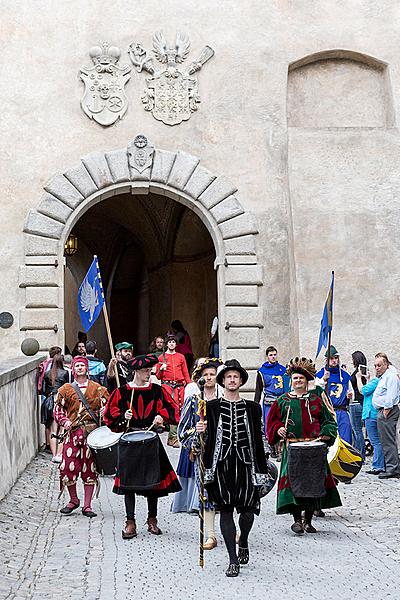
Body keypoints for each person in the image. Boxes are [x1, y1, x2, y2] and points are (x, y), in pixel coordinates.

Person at [195, 359, 270, 577]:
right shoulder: (210, 407)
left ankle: (243, 539)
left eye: (235, 376)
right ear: (223, 381)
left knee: (247, 512)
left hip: (247, 464)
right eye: (228, 377)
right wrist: (200, 430)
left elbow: (260, 436)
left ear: (240, 381)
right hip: (220, 465)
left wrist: (265, 462)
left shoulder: (253, 408)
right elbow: (200, 439)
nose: (232, 380)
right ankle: (232, 559)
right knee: (225, 510)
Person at [103, 354, 181, 539]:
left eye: (150, 371)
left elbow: (173, 409)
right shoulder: (122, 392)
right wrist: (124, 417)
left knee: (152, 482)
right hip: (130, 440)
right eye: (146, 371)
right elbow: (109, 416)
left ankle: (152, 520)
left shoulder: (156, 390)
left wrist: (162, 416)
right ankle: (130, 522)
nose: (149, 374)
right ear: (136, 371)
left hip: (150, 439)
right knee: (128, 483)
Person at [266, 357, 342, 535]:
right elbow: (272, 422)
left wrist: (325, 436)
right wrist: (279, 430)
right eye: (295, 378)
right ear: (291, 381)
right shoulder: (283, 401)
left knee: (312, 484)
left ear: (306, 380)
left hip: (314, 449)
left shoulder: (316, 400)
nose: (298, 381)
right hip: (292, 448)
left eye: (301, 378)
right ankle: (297, 520)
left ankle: (308, 520)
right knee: (293, 485)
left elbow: (329, 421)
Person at [174, 358, 223, 552]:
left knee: (227, 494)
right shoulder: (194, 401)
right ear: (200, 378)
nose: (209, 377)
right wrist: (196, 432)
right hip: (203, 454)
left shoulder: (223, 400)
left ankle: (231, 529)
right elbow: (181, 431)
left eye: (212, 374)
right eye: (206, 375)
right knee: (206, 494)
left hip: (223, 453)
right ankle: (211, 534)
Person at [54, 356, 109, 517]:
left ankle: (87, 505)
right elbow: (58, 409)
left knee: (89, 469)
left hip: (91, 435)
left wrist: (103, 414)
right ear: (73, 368)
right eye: (77, 365)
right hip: (72, 434)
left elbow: (108, 407)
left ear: (86, 369)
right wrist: (64, 422)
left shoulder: (98, 389)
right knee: (67, 467)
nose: (79, 368)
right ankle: (73, 500)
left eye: (82, 365)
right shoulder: (65, 389)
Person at [171, 358, 207, 515]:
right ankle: (191, 502)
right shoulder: (192, 390)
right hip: (194, 437)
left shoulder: (219, 394)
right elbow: (184, 424)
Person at [155, 334, 191, 447]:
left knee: (180, 410)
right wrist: (161, 369)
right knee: (172, 411)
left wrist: (189, 386)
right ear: (167, 344)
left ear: (176, 344)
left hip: (180, 387)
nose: (172, 344)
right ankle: (173, 438)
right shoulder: (161, 357)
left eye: (173, 342)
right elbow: (158, 376)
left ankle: (174, 436)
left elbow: (185, 372)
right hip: (167, 387)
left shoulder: (181, 357)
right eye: (170, 342)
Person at [316, 345, 353, 444]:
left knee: (346, 439)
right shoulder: (320, 375)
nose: (334, 361)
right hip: (327, 413)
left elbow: (351, 392)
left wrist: (349, 396)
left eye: (336, 358)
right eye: (331, 358)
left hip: (342, 411)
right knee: (329, 440)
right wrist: (323, 379)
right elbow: (315, 391)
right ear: (326, 360)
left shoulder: (345, 376)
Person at [372, 353, 400, 478]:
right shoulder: (384, 377)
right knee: (385, 440)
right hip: (384, 410)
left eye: (379, 365)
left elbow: (391, 395)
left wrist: (387, 410)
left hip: (388, 411)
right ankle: (392, 467)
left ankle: (392, 468)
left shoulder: (391, 377)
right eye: (375, 365)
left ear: (386, 364)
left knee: (388, 441)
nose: (377, 368)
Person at [356, 368, 385, 475]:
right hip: (375, 414)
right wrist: (368, 379)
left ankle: (377, 466)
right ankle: (380, 465)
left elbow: (362, 391)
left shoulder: (376, 381)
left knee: (376, 442)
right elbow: (370, 392)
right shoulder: (378, 382)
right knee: (379, 441)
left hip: (370, 414)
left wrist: (359, 378)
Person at [254, 346, 289, 436]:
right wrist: (255, 405)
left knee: (283, 425)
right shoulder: (262, 371)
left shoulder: (283, 370)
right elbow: (258, 390)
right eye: (271, 355)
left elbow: (287, 386)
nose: (273, 357)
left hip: (282, 402)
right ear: (267, 357)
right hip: (269, 403)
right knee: (269, 425)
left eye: (274, 354)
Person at [41, 351, 69, 462]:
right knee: (62, 429)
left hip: (49, 401)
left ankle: (53, 455)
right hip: (61, 401)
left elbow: (43, 390)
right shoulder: (65, 373)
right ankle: (59, 453)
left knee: (52, 430)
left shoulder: (47, 374)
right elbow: (67, 388)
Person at [349, 351, 367, 461]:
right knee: (359, 431)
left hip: (355, 403)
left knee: (357, 430)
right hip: (362, 403)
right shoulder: (365, 372)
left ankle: (359, 455)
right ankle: (360, 454)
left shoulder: (357, 374)